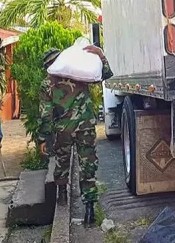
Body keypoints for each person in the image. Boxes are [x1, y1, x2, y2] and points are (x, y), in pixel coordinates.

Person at [38, 45, 114, 227]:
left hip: (63, 129)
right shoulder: (80, 73)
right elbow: (107, 75)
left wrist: (43, 138)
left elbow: (45, 114)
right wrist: (101, 56)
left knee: (62, 160)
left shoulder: (47, 83)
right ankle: (89, 210)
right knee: (87, 165)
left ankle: (62, 193)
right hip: (85, 127)